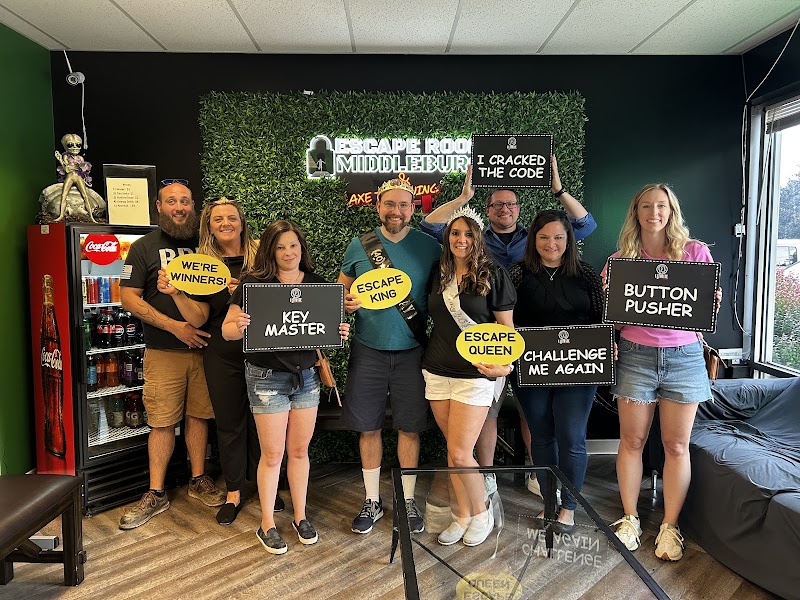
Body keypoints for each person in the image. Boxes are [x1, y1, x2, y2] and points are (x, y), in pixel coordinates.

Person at [421, 156, 597, 494]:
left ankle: (535, 470)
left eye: (511, 204)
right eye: (497, 204)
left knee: (533, 415)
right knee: (488, 411)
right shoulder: (472, 236)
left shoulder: (536, 238)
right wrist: (464, 198)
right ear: (487, 210)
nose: (505, 209)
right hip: (487, 342)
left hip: (526, 338)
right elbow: (430, 226)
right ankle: (486, 473)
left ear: (519, 209)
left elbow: (585, 225)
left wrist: (558, 189)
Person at [603, 184, 721, 561]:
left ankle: (670, 526)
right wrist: (610, 304)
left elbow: (703, 315)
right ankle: (630, 519)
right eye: (646, 206)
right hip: (635, 356)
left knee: (676, 446)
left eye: (661, 206)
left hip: (684, 357)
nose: (654, 212)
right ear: (635, 212)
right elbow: (614, 325)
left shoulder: (695, 253)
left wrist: (712, 303)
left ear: (671, 212)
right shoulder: (620, 260)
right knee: (632, 441)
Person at [222, 220, 350, 555]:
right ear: (270, 250)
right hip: (266, 378)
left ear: (301, 248)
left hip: (306, 378)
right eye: (280, 247)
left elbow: (328, 328)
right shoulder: (253, 285)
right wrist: (238, 325)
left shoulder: (318, 285)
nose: (288, 253)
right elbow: (227, 331)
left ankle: (300, 517)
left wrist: (340, 331)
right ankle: (266, 524)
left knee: (299, 452)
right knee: (272, 455)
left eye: (293, 245)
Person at [155, 197, 280, 526]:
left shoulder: (262, 255)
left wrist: (247, 291)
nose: (226, 223)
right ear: (208, 226)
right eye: (218, 219)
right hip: (222, 353)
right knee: (229, 423)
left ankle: (265, 486)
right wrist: (177, 294)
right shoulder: (200, 266)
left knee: (263, 422)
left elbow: (284, 295)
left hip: (264, 349)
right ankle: (234, 491)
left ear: (242, 222)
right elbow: (198, 318)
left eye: (232, 217)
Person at [118, 179, 225, 530]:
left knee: (199, 416)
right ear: (159, 207)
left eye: (185, 201)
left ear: (194, 206)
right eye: (171, 201)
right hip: (164, 351)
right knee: (162, 421)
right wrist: (174, 327)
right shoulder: (143, 248)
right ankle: (156, 492)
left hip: (206, 350)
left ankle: (198, 480)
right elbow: (128, 297)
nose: (179, 207)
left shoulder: (207, 245)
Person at [338, 178, 442, 535]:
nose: (396, 211)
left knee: (410, 427)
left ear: (413, 208)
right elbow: (339, 293)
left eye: (403, 205)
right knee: (368, 427)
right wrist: (344, 304)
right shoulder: (359, 245)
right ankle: (372, 501)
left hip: (413, 350)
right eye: (389, 204)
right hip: (368, 348)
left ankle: (407, 500)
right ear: (378, 205)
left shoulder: (430, 246)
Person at [422, 206, 516, 546]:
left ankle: (481, 513)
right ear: (447, 237)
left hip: (475, 373)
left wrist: (505, 366)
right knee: (454, 450)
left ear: (478, 238)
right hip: (437, 370)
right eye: (455, 233)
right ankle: (461, 515)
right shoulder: (438, 272)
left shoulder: (494, 274)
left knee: (462, 452)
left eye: (467, 234)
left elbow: (507, 330)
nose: (460, 239)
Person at [509, 210, 604, 533]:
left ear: (569, 240)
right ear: (533, 239)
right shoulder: (517, 274)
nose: (552, 243)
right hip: (532, 368)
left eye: (559, 237)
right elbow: (505, 319)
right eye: (544, 237)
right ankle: (549, 503)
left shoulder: (586, 274)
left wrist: (609, 345)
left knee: (572, 436)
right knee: (541, 436)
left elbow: (601, 321)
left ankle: (569, 508)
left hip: (580, 369)